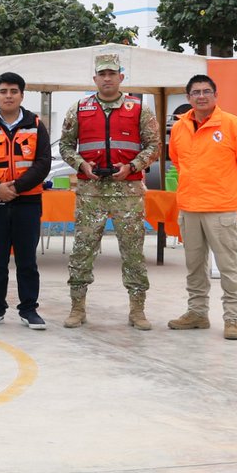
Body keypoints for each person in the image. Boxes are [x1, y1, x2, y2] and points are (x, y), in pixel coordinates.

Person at [59, 53, 160, 330]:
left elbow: (154, 146)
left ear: (121, 78)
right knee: (82, 250)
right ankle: (77, 307)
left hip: (127, 191)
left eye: (112, 74)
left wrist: (132, 166)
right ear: (95, 78)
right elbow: (65, 146)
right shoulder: (79, 108)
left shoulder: (139, 109)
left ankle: (137, 310)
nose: (107, 78)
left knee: (133, 252)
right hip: (91, 192)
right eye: (102, 74)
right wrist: (80, 164)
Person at [167, 74, 237, 341]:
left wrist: (228, 191)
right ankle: (197, 313)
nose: (201, 96)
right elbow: (178, 161)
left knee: (228, 267)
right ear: (188, 98)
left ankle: (232, 319)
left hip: (221, 209)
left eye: (207, 91)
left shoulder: (234, 126)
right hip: (190, 208)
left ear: (216, 96)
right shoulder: (180, 127)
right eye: (196, 92)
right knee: (194, 266)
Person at [0, 72, 51, 329]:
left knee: (27, 259)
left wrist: (16, 187)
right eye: (3, 91)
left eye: (14, 91)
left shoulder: (36, 125)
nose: (8, 96)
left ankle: (28, 309)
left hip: (28, 201)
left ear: (22, 95)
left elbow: (43, 162)